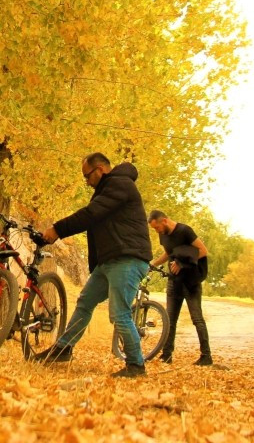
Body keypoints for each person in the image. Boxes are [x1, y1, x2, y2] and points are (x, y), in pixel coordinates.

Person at [36, 153, 153, 378]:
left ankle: (136, 366)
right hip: (110, 261)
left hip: (127, 259)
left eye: (87, 176)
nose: (87, 182)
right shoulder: (108, 190)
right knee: (85, 302)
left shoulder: (120, 184)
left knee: (120, 314)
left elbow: (90, 215)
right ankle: (63, 348)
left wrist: (57, 229)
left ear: (100, 169)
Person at [148, 210, 225, 368]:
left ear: (164, 220)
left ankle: (206, 356)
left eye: (157, 227)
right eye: (154, 229)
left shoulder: (185, 231)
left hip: (191, 282)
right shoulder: (163, 235)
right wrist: (152, 264)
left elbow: (203, 251)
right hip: (174, 281)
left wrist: (182, 263)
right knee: (170, 320)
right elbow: (169, 254)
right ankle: (167, 355)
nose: (157, 231)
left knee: (197, 319)